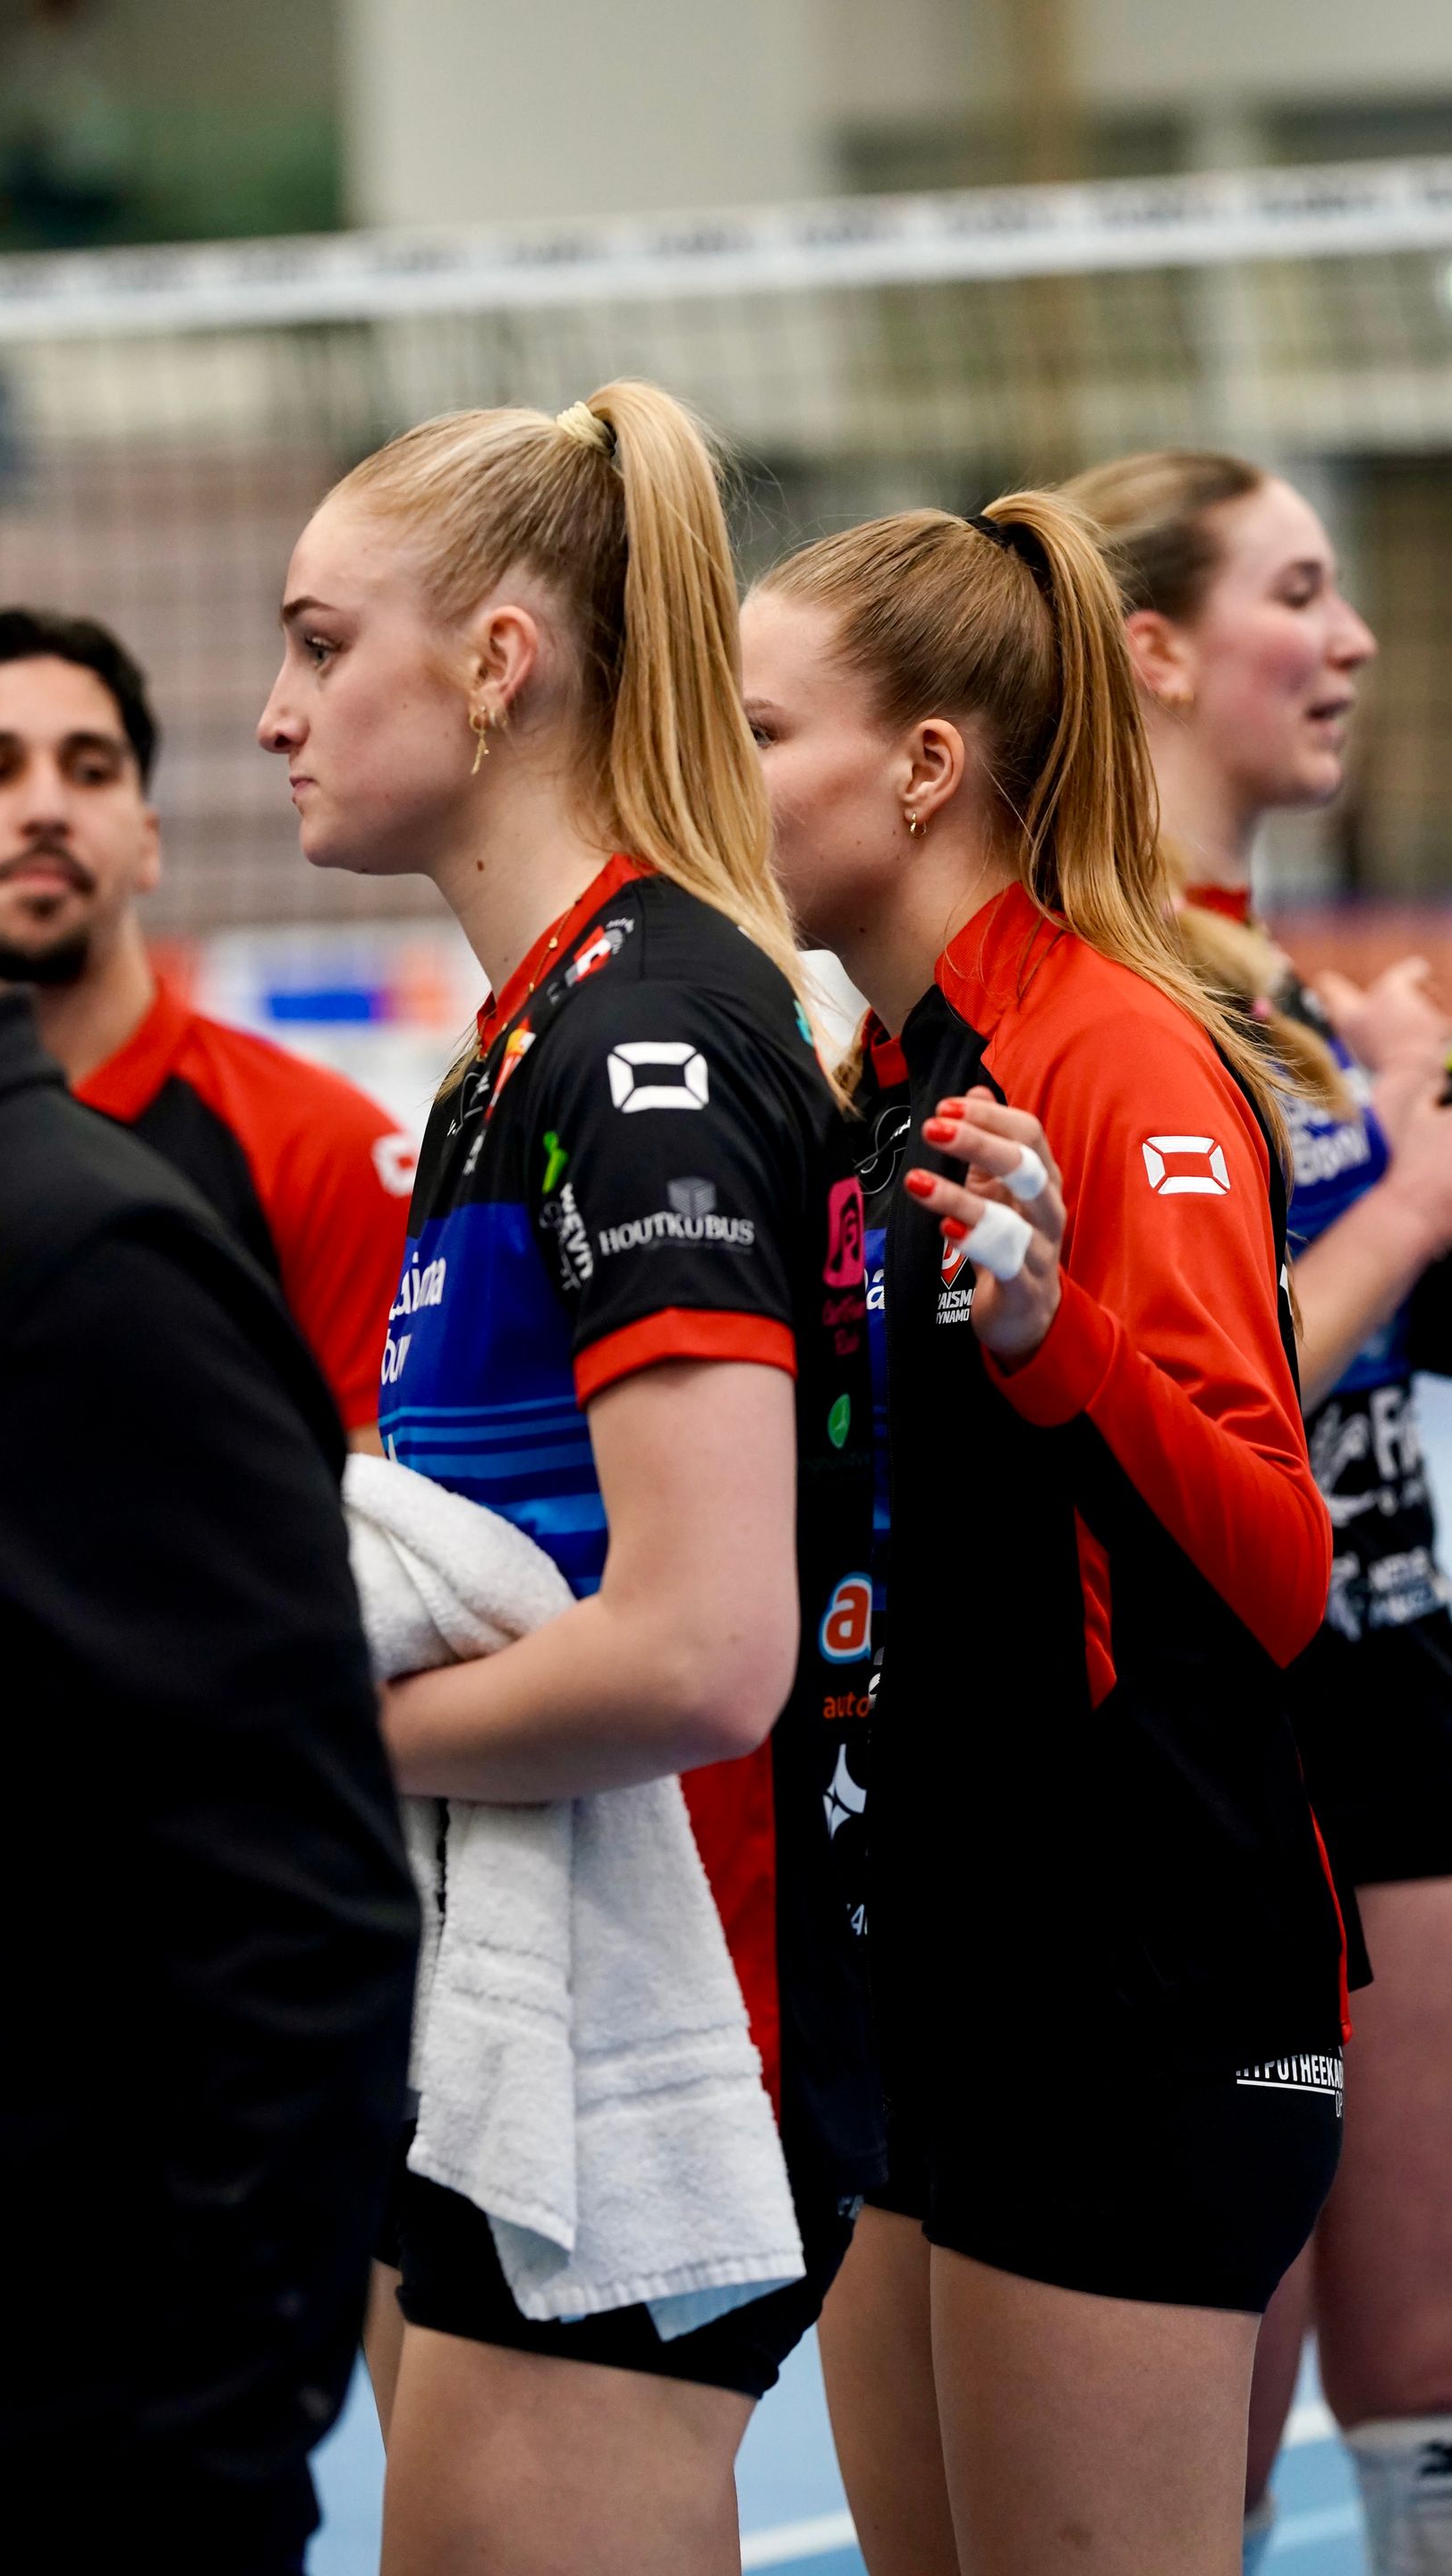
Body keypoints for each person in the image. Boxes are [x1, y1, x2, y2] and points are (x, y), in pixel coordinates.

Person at [258, 380, 880, 2576]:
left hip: (664, 2015)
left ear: (499, 662)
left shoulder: (646, 1034)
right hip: (538, 1986)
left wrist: (298, 1736)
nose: (275, 711)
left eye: (324, 645)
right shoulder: (530, 1034)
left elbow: (705, 1647)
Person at [0, 577, 418, 2572]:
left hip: (7, 2469)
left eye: (85, 767)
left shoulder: (62, 1270)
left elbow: (295, 1933)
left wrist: (185, 2488)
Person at [740, 493, 1344, 2576]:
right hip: (931, 1980)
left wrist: (1050, 1327)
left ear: (920, 767)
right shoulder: (877, 1084)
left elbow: (1282, 1565)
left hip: (1129, 1996)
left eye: (754, 731)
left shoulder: (1109, 1053)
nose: (714, 786)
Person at [1069, 447, 1452, 2576]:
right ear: (1152, 648)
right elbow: (1178, 1392)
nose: (1354, 638)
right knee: (1188, 2397)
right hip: (1212, 1736)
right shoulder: (1104, 1002)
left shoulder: (1293, 999)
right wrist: (1400, 1206)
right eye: (1297, 591)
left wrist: (1407, 1122)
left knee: (1422, 2353)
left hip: (1388, 1683)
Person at [0, 606, 414, 1449]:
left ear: (148, 843)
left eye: (90, 769)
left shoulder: (322, 1149)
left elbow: (401, 1537)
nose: (44, 808)